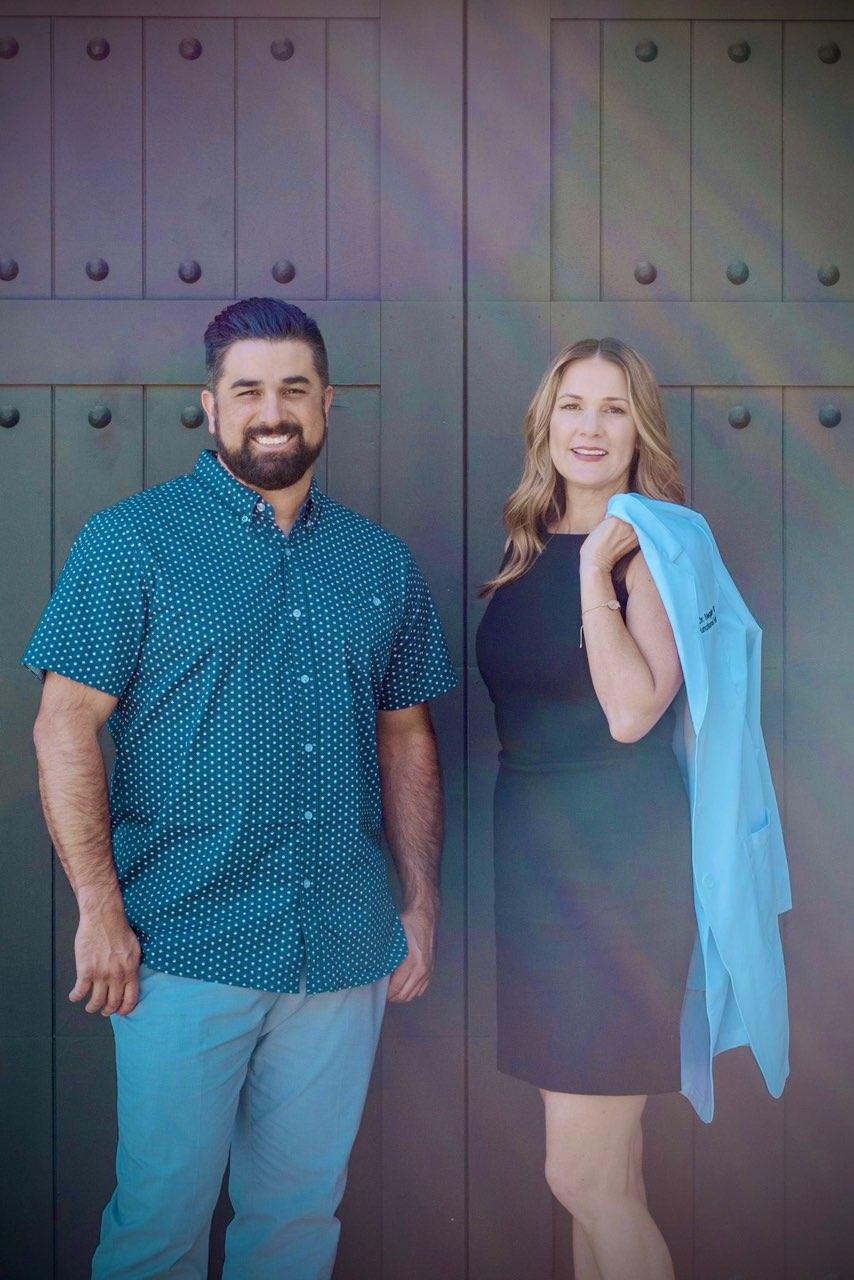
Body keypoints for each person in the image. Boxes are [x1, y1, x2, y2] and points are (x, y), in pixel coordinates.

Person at [21, 297, 459, 1279]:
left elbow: (407, 738)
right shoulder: (131, 541)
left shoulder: (376, 564)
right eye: (249, 389)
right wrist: (98, 907)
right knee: (157, 1228)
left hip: (343, 947)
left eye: (293, 389)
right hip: (181, 943)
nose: (273, 410)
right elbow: (65, 723)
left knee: (298, 1224)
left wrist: (418, 904)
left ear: (327, 405)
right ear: (210, 408)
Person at [475, 336, 695, 1280]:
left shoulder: (654, 548)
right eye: (574, 405)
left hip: (620, 878)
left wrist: (596, 580)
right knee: (606, 1178)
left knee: (586, 1178)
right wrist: (574, 564)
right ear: (547, 423)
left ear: (639, 426)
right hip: (537, 877)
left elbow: (635, 711)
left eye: (613, 407)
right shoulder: (528, 547)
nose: (591, 427)